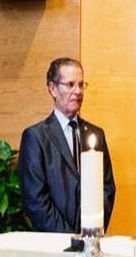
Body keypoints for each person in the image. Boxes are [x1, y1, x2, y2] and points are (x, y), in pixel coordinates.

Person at [19, 57, 116, 233]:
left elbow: (107, 188)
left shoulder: (96, 135)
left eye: (81, 85)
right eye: (70, 84)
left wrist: (91, 228)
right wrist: (68, 238)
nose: (77, 91)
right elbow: (35, 200)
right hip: (54, 243)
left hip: (90, 238)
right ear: (53, 88)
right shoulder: (36, 137)